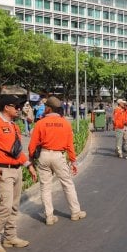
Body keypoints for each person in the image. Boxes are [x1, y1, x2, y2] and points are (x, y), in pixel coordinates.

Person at [0, 95, 33, 252]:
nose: (18, 110)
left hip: (16, 170)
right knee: (5, 206)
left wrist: (29, 165)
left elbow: (16, 151)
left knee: (15, 206)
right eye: (16, 106)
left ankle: (10, 237)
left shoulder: (14, 126)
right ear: (6, 108)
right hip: (2, 171)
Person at [28, 96, 86, 225]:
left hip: (44, 155)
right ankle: (75, 213)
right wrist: (73, 161)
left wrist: (31, 159)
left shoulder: (40, 123)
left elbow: (32, 144)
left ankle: (49, 216)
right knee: (67, 184)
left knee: (45, 187)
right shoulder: (65, 123)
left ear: (48, 108)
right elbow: (70, 145)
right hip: (58, 156)